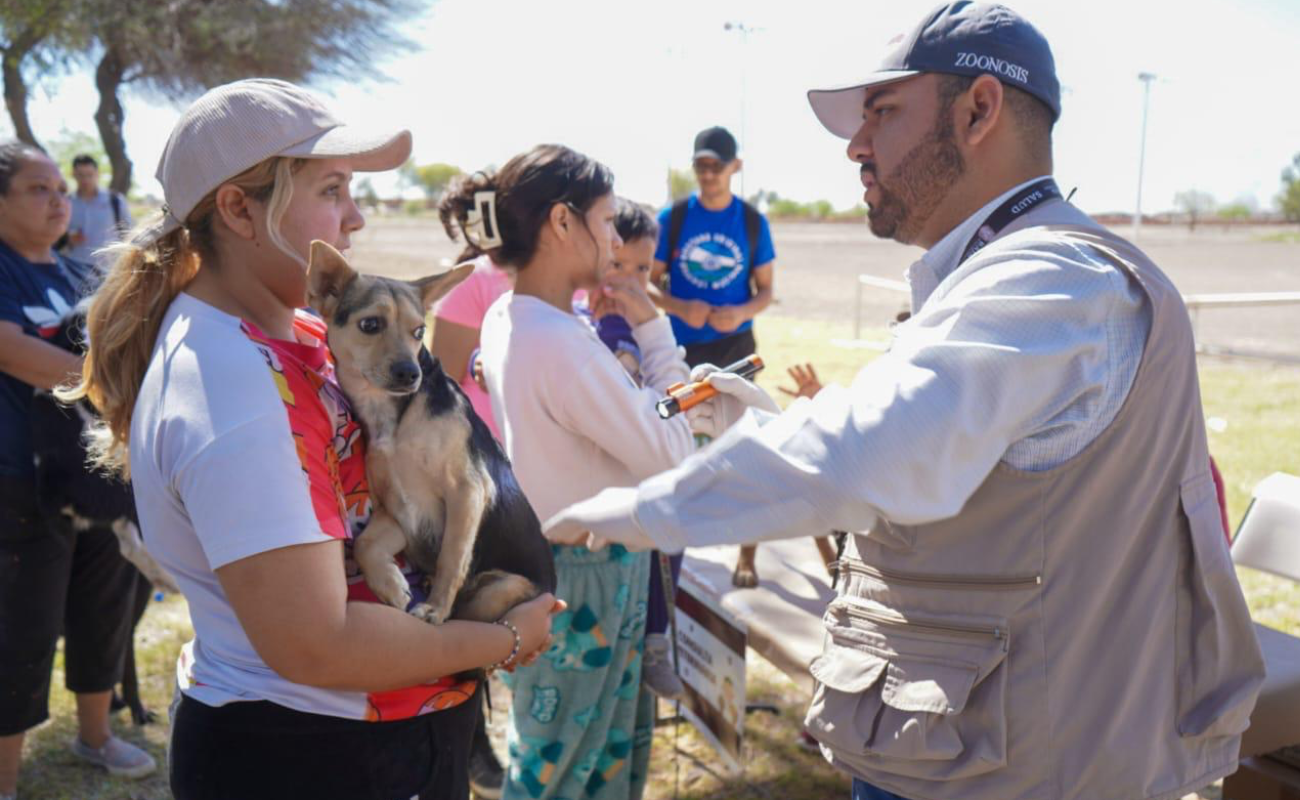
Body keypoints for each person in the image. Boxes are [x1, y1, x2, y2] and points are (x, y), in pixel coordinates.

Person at [545, 5, 1265, 800]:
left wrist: (635, 510)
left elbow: (872, 456)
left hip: (1018, 768)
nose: (855, 145)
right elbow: (963, 472)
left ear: (979, 110)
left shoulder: (1047, 280)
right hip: (977, 746)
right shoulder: (1016, 274)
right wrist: (757, 420)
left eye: (882, 113)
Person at [61, 79, 561, 800]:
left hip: (369, 731)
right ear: (238, 208)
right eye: (332, 190)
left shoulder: (293, 334)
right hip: (316, 753)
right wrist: (504, 641)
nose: (355, 218)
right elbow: (317, 644)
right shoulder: (233, 389)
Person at [443, 144, 695, 800]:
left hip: (567, 564)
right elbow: (673, 450)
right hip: (583, 578)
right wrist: (652, 327)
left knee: (591, 754)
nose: (615, 237)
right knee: (568, 768)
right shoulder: (556, 341)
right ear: (562, 223)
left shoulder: (514, 315)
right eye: (607, 220)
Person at [0, 141, 155, 799]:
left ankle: (96, 736)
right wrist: (115, 383)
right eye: (38, 188)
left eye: (61, 187)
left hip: (96, 475)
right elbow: (15, 353)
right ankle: (5, 776)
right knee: (22, 626)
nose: (59, 198)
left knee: (104, 608)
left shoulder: (73, 275)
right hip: (18, 481)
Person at [650, 125, 776, 587]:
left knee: (746, 449)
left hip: (735, 349)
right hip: (680, 350)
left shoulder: (750, 222)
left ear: (734, 167)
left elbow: (766, 292)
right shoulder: (674, 218)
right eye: (700, 165)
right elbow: (646, 282)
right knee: (677, 449)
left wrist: (739, 311)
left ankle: (747, 554)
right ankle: (675, 544)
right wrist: (682, 306)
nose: (707, 174)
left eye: (716, 166)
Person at [65, 154, 132, 267]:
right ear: (73, 175)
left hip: (109, 270)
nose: (85, 180)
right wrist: (67, 238)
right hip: (75, 268)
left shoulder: (115, 200)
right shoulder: (65, 203)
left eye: (89, 175)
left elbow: (129, 233)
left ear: (97, 174)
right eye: (80, 175)